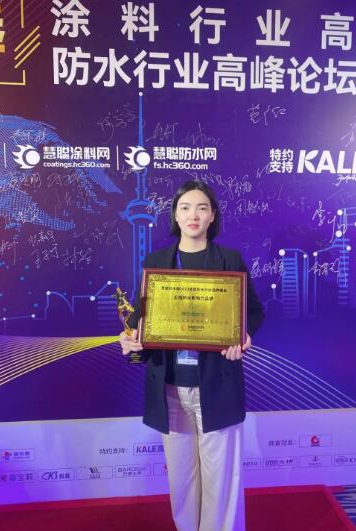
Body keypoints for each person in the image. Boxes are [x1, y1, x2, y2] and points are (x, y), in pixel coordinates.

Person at [119, 180, 265, 531]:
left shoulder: (229, 260)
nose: (193, 215)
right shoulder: (156, 262)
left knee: (221, 479)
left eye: (202, 207)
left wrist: (243, 336)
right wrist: (129, 341)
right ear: (175, 215)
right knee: (181, 480)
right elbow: (139, 322)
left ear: (213, 215)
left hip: (217, 383)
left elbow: (254, 311)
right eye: (185, 207)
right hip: (169, 387)